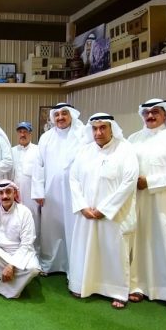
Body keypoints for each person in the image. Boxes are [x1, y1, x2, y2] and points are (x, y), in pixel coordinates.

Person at [127, 98, 166, 313]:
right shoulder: (134, 138)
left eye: (155, 112)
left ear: (165, 115)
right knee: (138, 241)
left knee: (164, 242)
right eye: (146, 112)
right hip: (137, 199)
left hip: (164, 200)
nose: (150, 116)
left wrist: (150, 182)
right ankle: (136, 286)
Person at [68, 113, 139, 308]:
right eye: (95, 128)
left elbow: (129, 181)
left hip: (114, 215)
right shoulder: (84, 151)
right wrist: (82, 206)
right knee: (85, 248)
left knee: (113, 252)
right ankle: (81, 284)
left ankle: (117, 291)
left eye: (103, 128)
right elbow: (73, 179)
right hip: (86, 213)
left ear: (111, 128)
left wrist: (105, 209)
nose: (98, 132)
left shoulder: (125, 150)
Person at [31, 103, 85, 276]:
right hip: (51, 192)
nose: (60, 117)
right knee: (51, 229)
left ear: (72, 116)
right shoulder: (46, 137)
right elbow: (38, 165)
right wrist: (38, 191)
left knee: (73, 228)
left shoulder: (83, 134)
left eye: (64, 114)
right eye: (57, 115)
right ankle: (50, 264)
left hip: (75, 192)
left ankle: (73, 267)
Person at [10, 121, 40, 251]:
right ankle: (17, 249)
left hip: (32, 195)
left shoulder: (38, 150)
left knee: (34, 221)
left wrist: (40, 194)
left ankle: (35, 251)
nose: (22, 134)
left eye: (25, 131)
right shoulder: (11, 151)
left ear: (30, 133)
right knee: (16, 220)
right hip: (15, 194)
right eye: (20, 132)